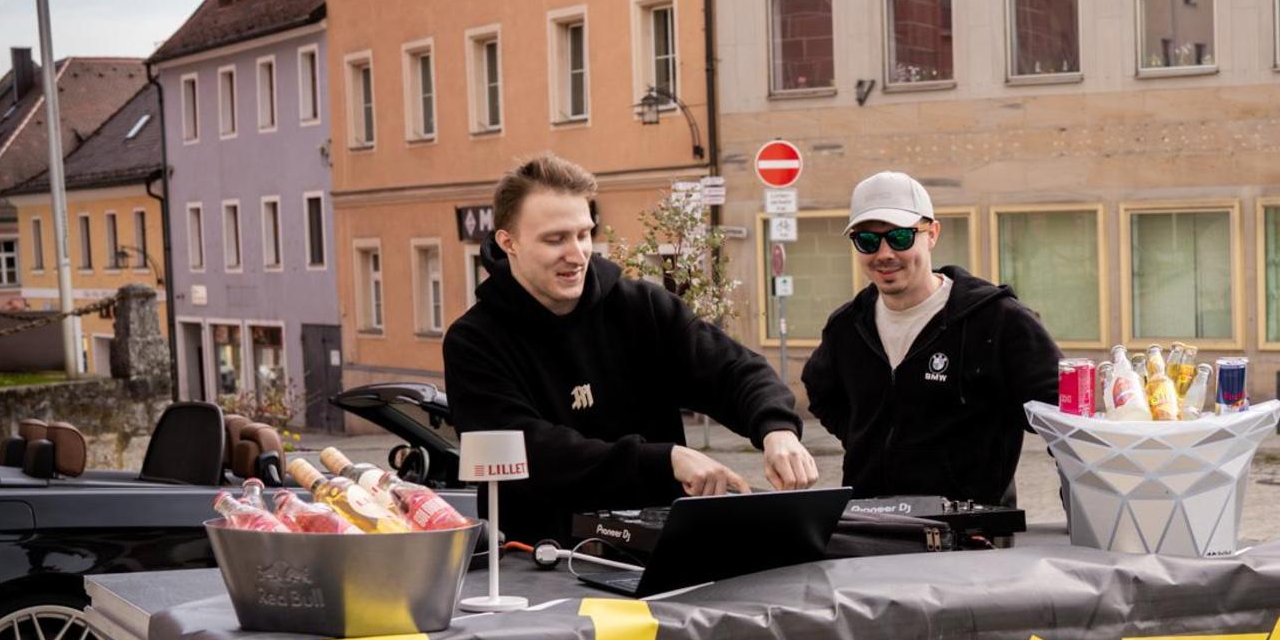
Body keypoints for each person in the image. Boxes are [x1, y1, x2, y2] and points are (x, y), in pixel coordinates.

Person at [443, 153, 817, 544]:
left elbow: (732, 370)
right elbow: (530, 451)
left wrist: (776, 430)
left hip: (660, 547)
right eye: (555, 239)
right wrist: (664, 460)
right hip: (540, 561)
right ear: (509, 242)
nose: (576, 254)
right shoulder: (475, 342)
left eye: (584, 234)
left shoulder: (642, 307)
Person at [801, 171, 1061, 506]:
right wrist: (865, 436)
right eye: (867, 240)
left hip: (969, 532)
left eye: (900, 237)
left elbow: (1063, 419)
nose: (884, 254)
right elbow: (821, 391)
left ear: (932, 233)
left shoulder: (997, 321)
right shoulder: (847, 326)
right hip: (870, 523)